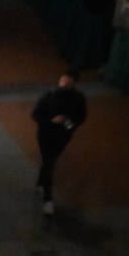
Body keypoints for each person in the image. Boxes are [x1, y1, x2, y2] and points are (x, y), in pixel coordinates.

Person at [31, 68, 87, 214]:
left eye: (68, 82)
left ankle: (40, 183)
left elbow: (80, 119)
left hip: (62, 137)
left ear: (74, 84)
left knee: (48, 161)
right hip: (45, 135)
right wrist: (51, 121)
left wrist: (67, 122)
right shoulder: (49, 96)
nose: (64, 84)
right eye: (63, 81)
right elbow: (36, 114)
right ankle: (48, 199)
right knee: (49, 163)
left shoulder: (78, 99)